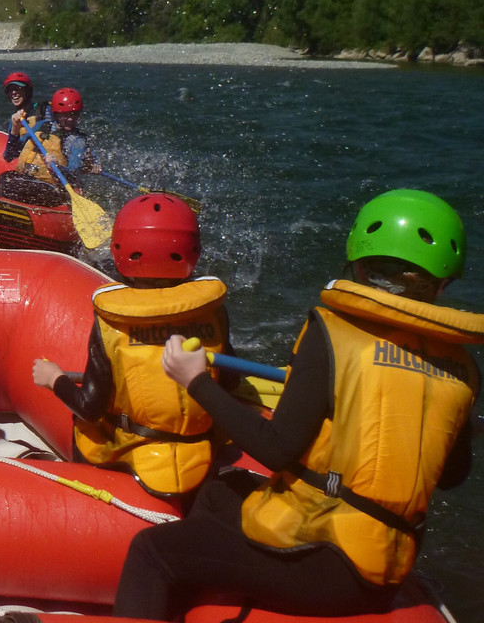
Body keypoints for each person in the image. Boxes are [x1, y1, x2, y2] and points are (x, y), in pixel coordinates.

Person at [113, 188, 484, 620]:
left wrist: (195, 382)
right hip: (387, 561)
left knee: (153, 553)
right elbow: (453, 475)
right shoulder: (462, 367)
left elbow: (276, 450)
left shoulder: (334, 333)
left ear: (359, 265)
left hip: (328, 561)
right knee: (220, 493)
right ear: (441, 283)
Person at [32, 193, 231, 500]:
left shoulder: (110, 324)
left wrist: (54, 379)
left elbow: (89, 408)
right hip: (201, 448)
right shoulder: (215, 312)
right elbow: (230, 381)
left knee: (86, 430)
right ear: (193, 250)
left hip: (132, 451)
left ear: (119, 250)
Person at [1, 71, 50, 141]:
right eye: (10, 90)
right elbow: (11, 148)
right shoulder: (14, 120)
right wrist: (15, 131)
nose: (13, 92)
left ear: (27, 91)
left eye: (18, 88)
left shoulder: (43, 110)